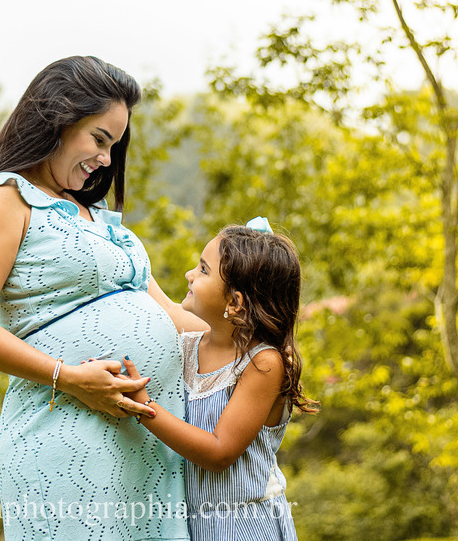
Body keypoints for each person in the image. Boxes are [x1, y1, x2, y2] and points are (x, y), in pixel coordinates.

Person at [0, 56, 198, 541]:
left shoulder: (96, 218)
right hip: (64, 430)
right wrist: (72, 377)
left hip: (145, 444)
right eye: (99, 139)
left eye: (113, 145)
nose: (106, 159)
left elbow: (170, 315)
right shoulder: (6, 197)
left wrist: (262, 343)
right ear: (57, 119)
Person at [122, 219, 318, 541]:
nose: (189, 274)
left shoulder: (263, 364)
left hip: (246, 525)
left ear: (234, 303)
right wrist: (122, 246)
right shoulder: (194, 340)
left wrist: (144, 406)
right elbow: (165, 306)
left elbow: (218, 452)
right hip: (195, 526)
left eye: (202, 270)